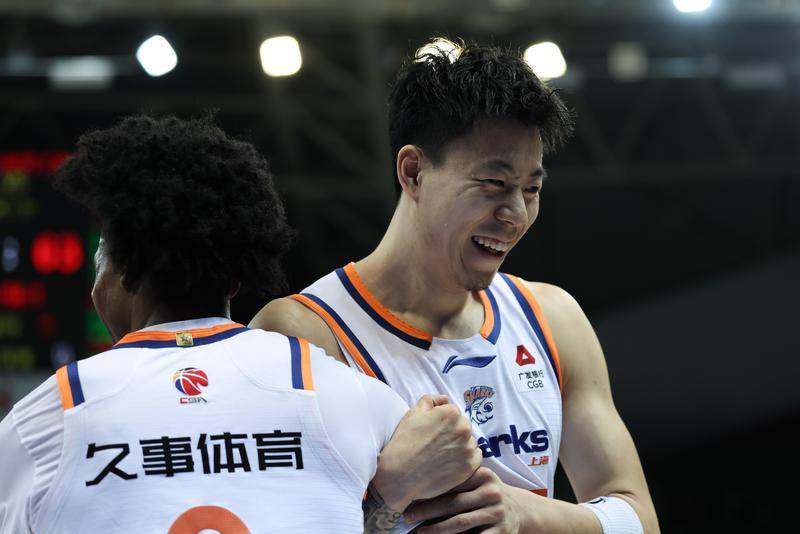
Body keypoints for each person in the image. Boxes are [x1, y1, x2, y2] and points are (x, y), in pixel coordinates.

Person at [251, 40, 660, 533]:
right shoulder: (306, 336)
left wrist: (527, 514)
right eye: (494, 183)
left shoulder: (552, 318)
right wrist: (388, 495)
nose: (516, 214)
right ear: (413, 172)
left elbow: (639, 519)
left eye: (531, 189)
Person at [0, 115, 480, 533]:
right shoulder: (348, 393)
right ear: (235, 280)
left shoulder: (51, 416)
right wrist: (385, 503)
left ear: (123, 271)